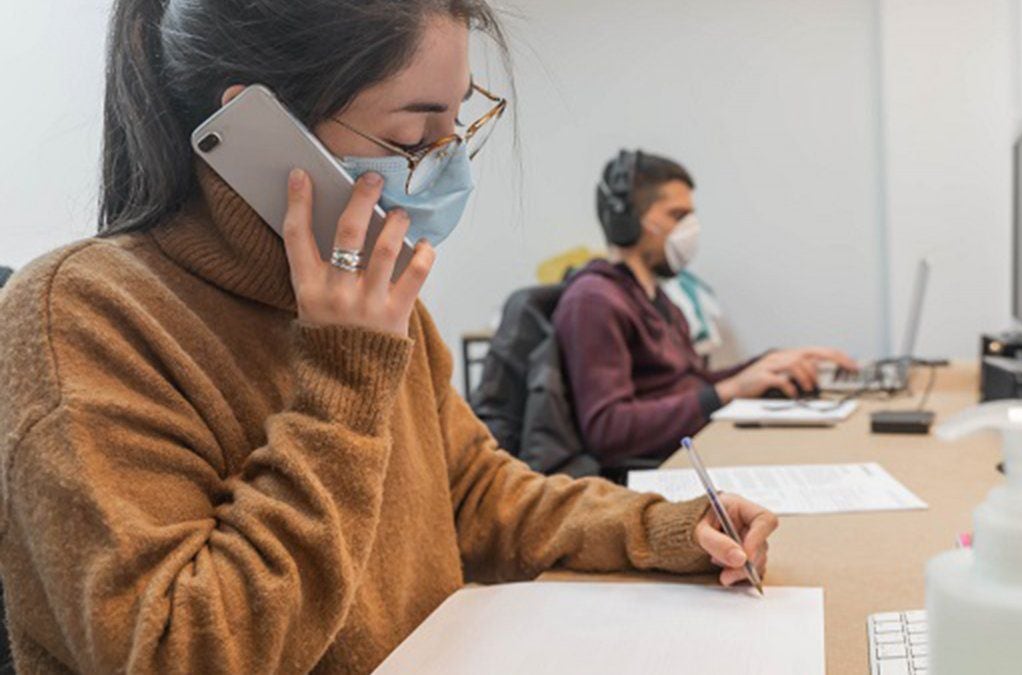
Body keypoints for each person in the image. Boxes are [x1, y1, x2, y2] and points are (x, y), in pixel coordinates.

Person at [0, 3, 779, 673]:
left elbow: (478, 495)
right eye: (414, 139)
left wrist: (667, 529)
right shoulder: (83, 317)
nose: (444, 169)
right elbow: (183, 649)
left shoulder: (371, 298)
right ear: (258, 133)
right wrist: (342, 378)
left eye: (456, 128)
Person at [554, 150, 858, 466]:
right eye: (676, 215)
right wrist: (730, 390)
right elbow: (608, 430)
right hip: (660, 471)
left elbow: (692, 384)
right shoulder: (594, 301)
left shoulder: (655, 297)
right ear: (626, 220)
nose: (689, 229)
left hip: (691, 449)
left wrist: (771, 364)